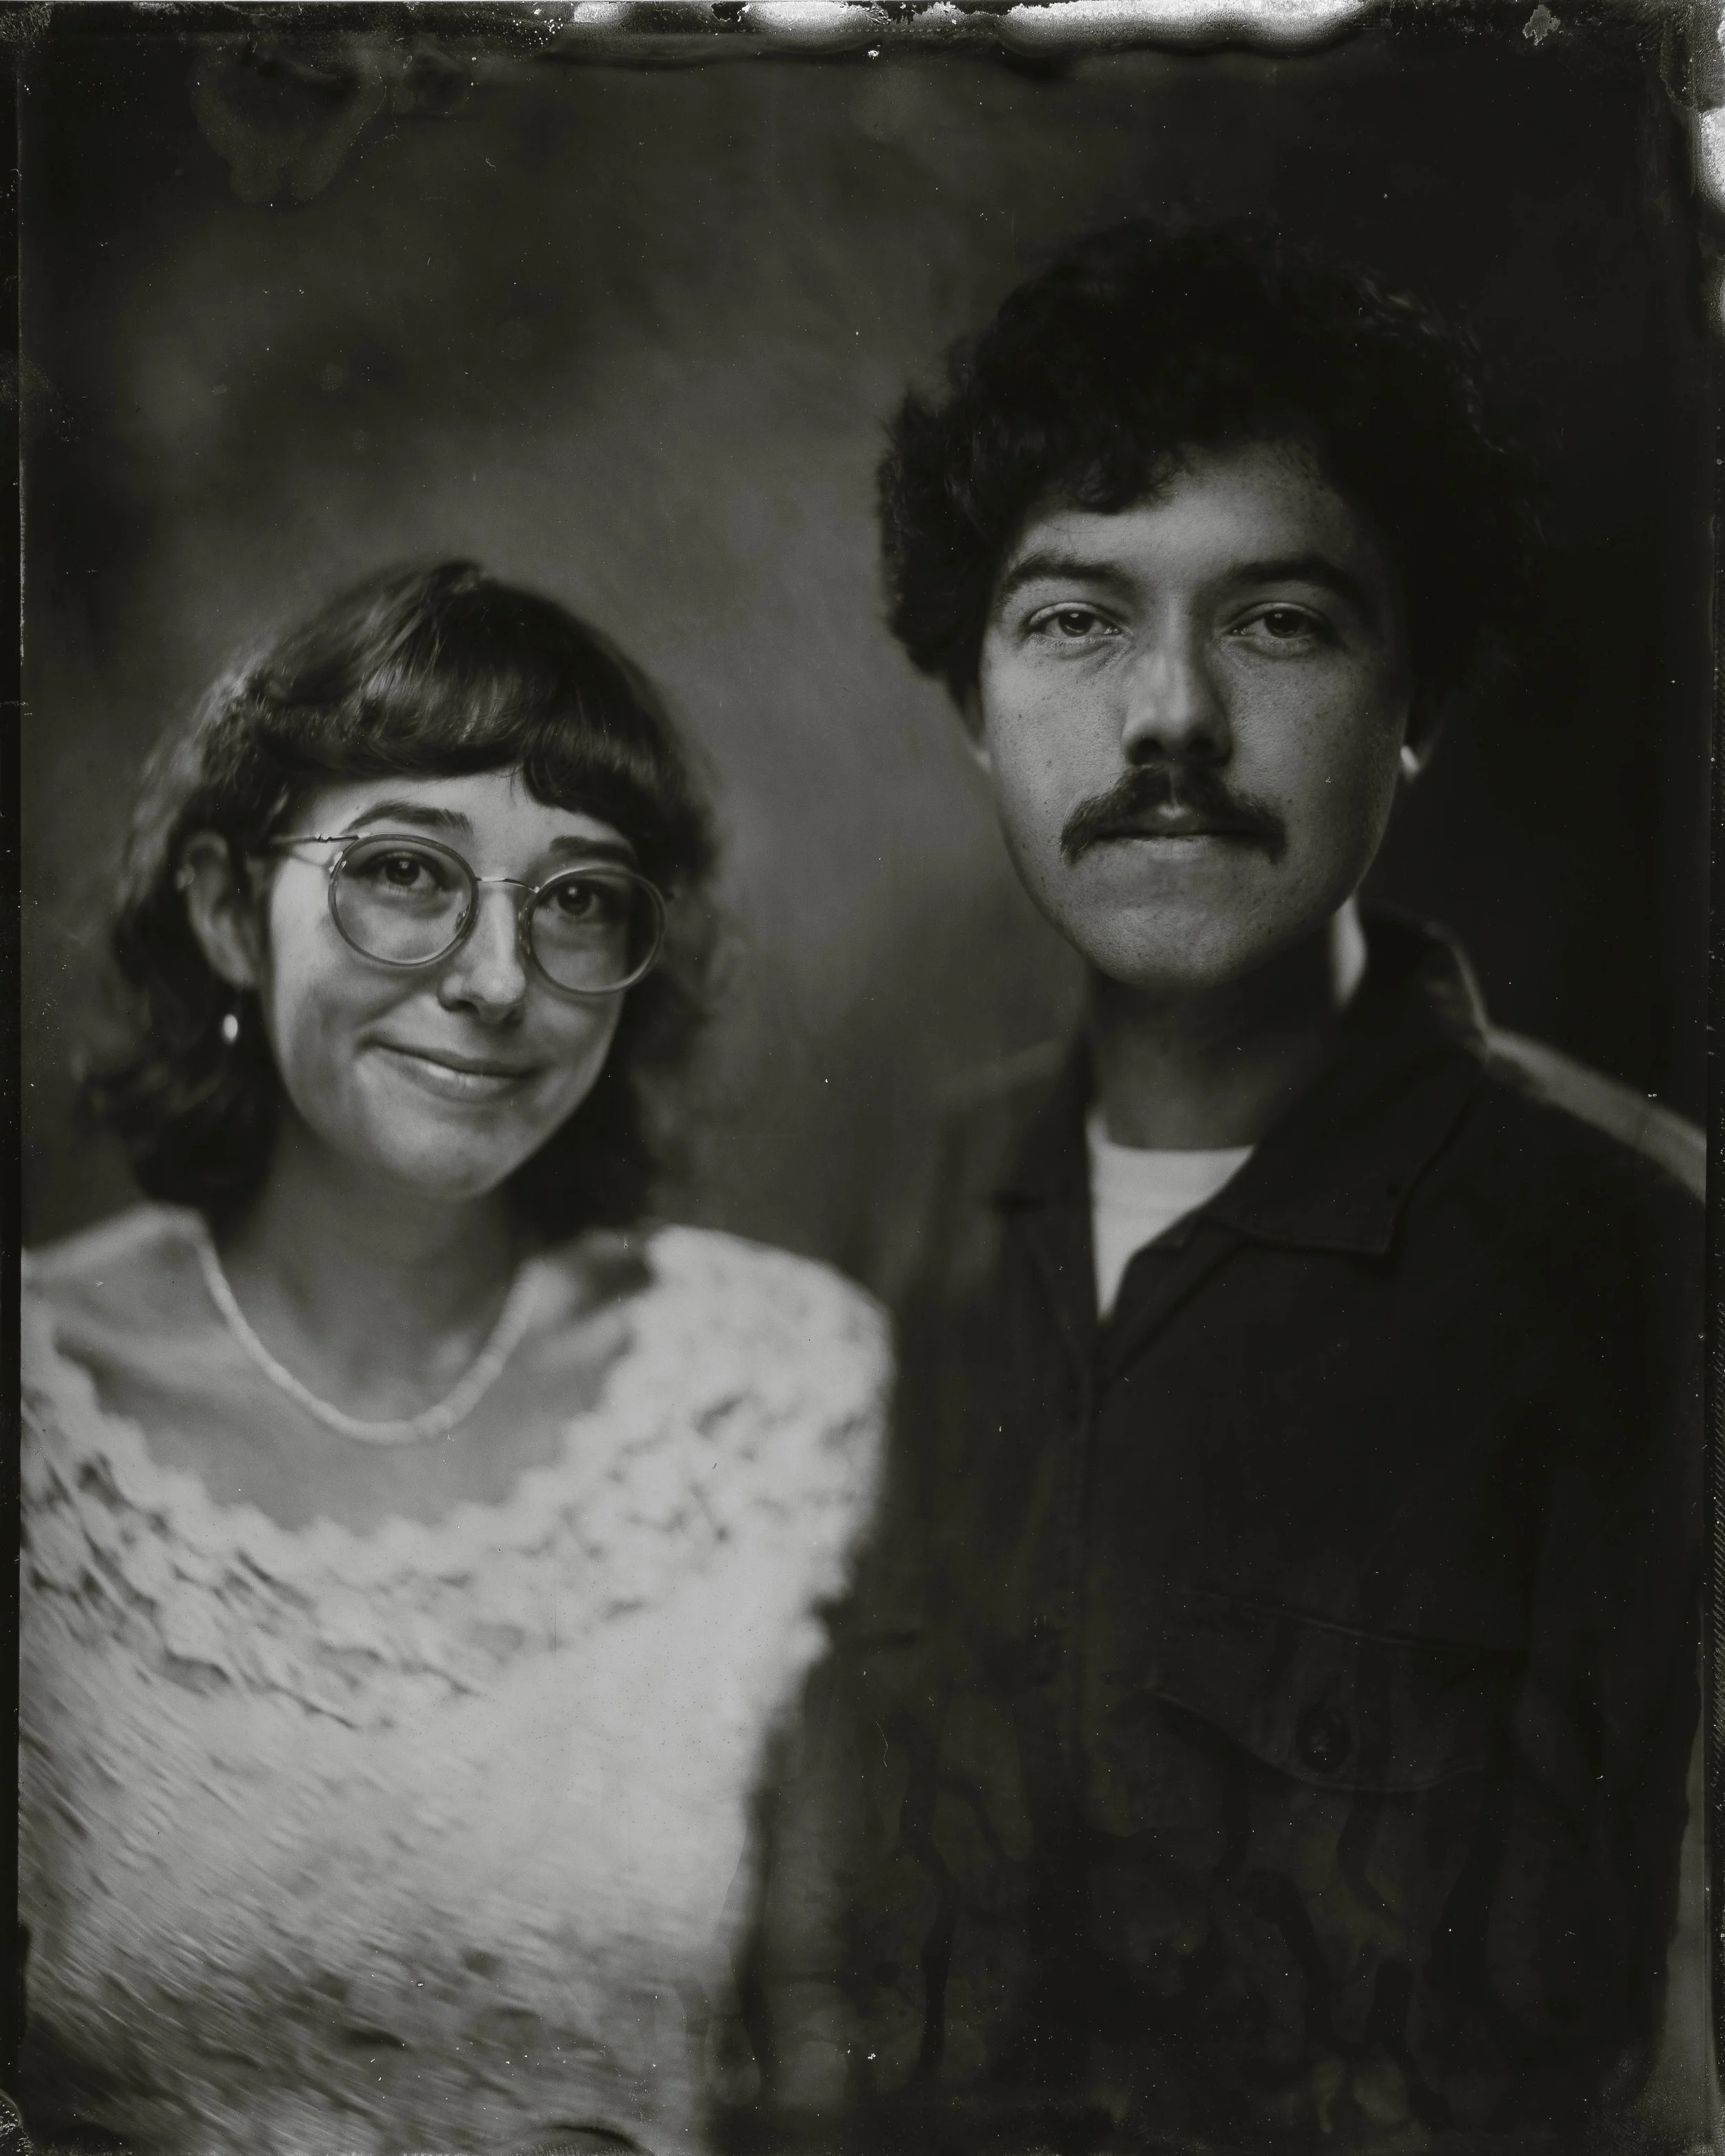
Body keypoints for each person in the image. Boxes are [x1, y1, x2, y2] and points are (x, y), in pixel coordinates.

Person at [751, 226, 1704, 2153]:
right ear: (967, 705)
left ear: (1413, 697)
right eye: (1071, 620)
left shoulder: (1638, 1260)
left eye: (1277, 621)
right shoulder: (903, 1210)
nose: (1165, 716)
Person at [18, 560, 889, 2156]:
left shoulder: (771, 1387)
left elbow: (831, 2056)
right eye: (407, 871)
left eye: (575, 897)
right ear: (226, 909)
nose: (498, 980)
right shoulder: (32, 1415)